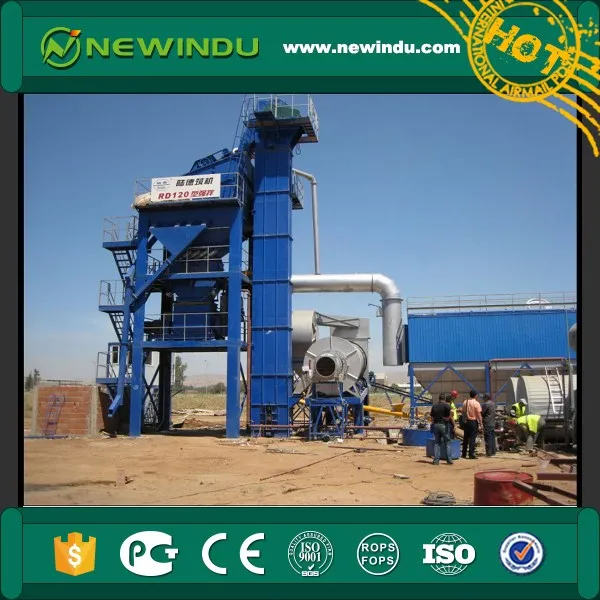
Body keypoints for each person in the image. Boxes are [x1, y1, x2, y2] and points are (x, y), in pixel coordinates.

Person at [429, 395, 454, 465]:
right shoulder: (447, 406)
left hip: (436, 425)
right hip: (444, 425)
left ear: (439, 399)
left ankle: (436, 461)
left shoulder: (434, 406)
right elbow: (451, 413)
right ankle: (449, 460)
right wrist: (448, 418)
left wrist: (433, 423)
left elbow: (432, 416)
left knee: (437, 443)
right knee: (447, 443)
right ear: (444, 399)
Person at [461, 390, 483, 459]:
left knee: (465, 438)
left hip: (466, 422)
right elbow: (479, 414)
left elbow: (463, 412)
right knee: (472, 438)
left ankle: (464, 454)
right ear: (475, 395)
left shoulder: (465, 402)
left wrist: (464, 420)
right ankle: (471, 454)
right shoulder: (476, 403)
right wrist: (481, 423)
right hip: (473, 422)